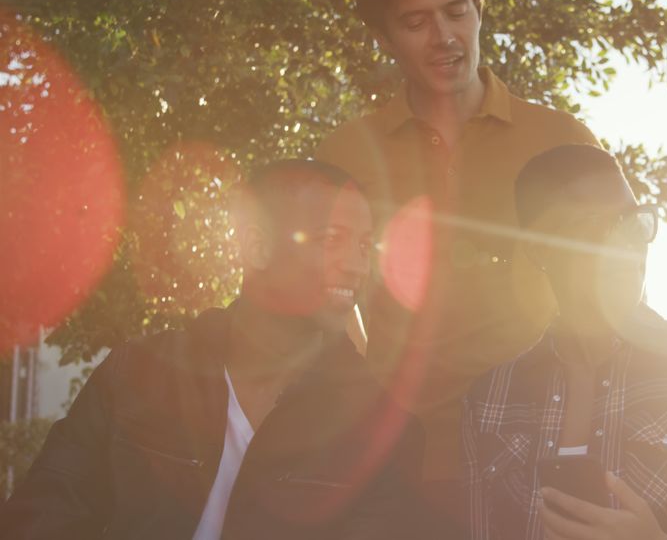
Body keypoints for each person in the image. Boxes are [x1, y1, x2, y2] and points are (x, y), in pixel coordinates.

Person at [0, 160, 423, 539]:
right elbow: (46, 512)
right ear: (256, 248)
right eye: (333, 240)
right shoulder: (138, 373)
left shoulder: (375, 425)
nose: (356, 265)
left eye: (365, 246)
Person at [316, 0, 599, 530]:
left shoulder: (562, 139)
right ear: (383, 37)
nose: (443, 36)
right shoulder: (345, 152)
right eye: (415, 22)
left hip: (542, 462)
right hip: (401, 470)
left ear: (478, 7)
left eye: (455, 11)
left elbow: (614, 291)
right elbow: (324, 298)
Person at [462, 144, 667, 540]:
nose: (624, 245)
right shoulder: (489, 399)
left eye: (632, 222)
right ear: (540, 250)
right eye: (593, 225)